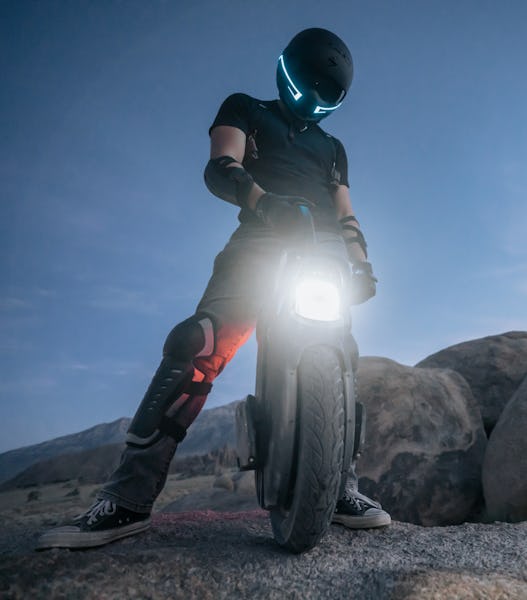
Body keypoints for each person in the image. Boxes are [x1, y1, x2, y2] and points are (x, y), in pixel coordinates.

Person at [37, 28, 390, 551]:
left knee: (340, 357)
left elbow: (346, 214)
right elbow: (221, 165)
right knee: (196, 347)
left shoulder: (333, 149)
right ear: (288, 70)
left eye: (328, 94)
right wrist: (264, 202)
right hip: (254, 253)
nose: (313, 99)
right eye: (308, 85)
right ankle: (127, 499)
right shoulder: (245, 108)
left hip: (320, 260)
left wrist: (361, 264)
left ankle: (338, 489)